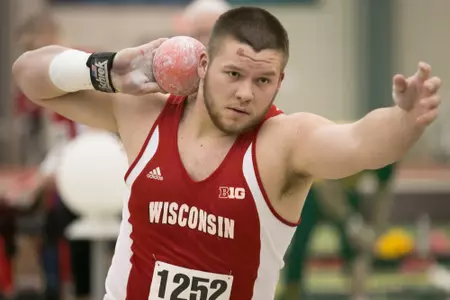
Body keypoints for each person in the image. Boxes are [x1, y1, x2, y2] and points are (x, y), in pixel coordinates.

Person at [12, 6, 442, 300]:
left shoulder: (284, 142)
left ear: (279, 80)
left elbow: (360, 143)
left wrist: (405, 119)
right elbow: (28, 73)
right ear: (203, 66)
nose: (244, 94)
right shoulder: (144, 114)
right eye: (233, 73)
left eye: (262, 81)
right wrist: (110, 69)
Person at [15, 11, 92, 300]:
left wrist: (55, 172)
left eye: (30, 48)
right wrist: (46, 172)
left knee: (59, 219)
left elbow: (91, 136)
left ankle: (78, 289)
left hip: (97, 175)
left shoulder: (78, 70)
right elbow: (62, 138)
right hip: (74, 171)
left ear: (48, 40)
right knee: (44, 219)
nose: (27, 57)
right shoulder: (44, 81)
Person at [278, 163, 396, 300]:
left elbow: (384, 194)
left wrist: (375, 230)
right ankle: (292, 292)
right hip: (315, 190)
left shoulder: (385, 162)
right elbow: (327, 189)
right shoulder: (343, 150)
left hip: (343, 190)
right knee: (299, 244)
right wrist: (351, 222)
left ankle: (358, 293)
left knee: (357, 246)